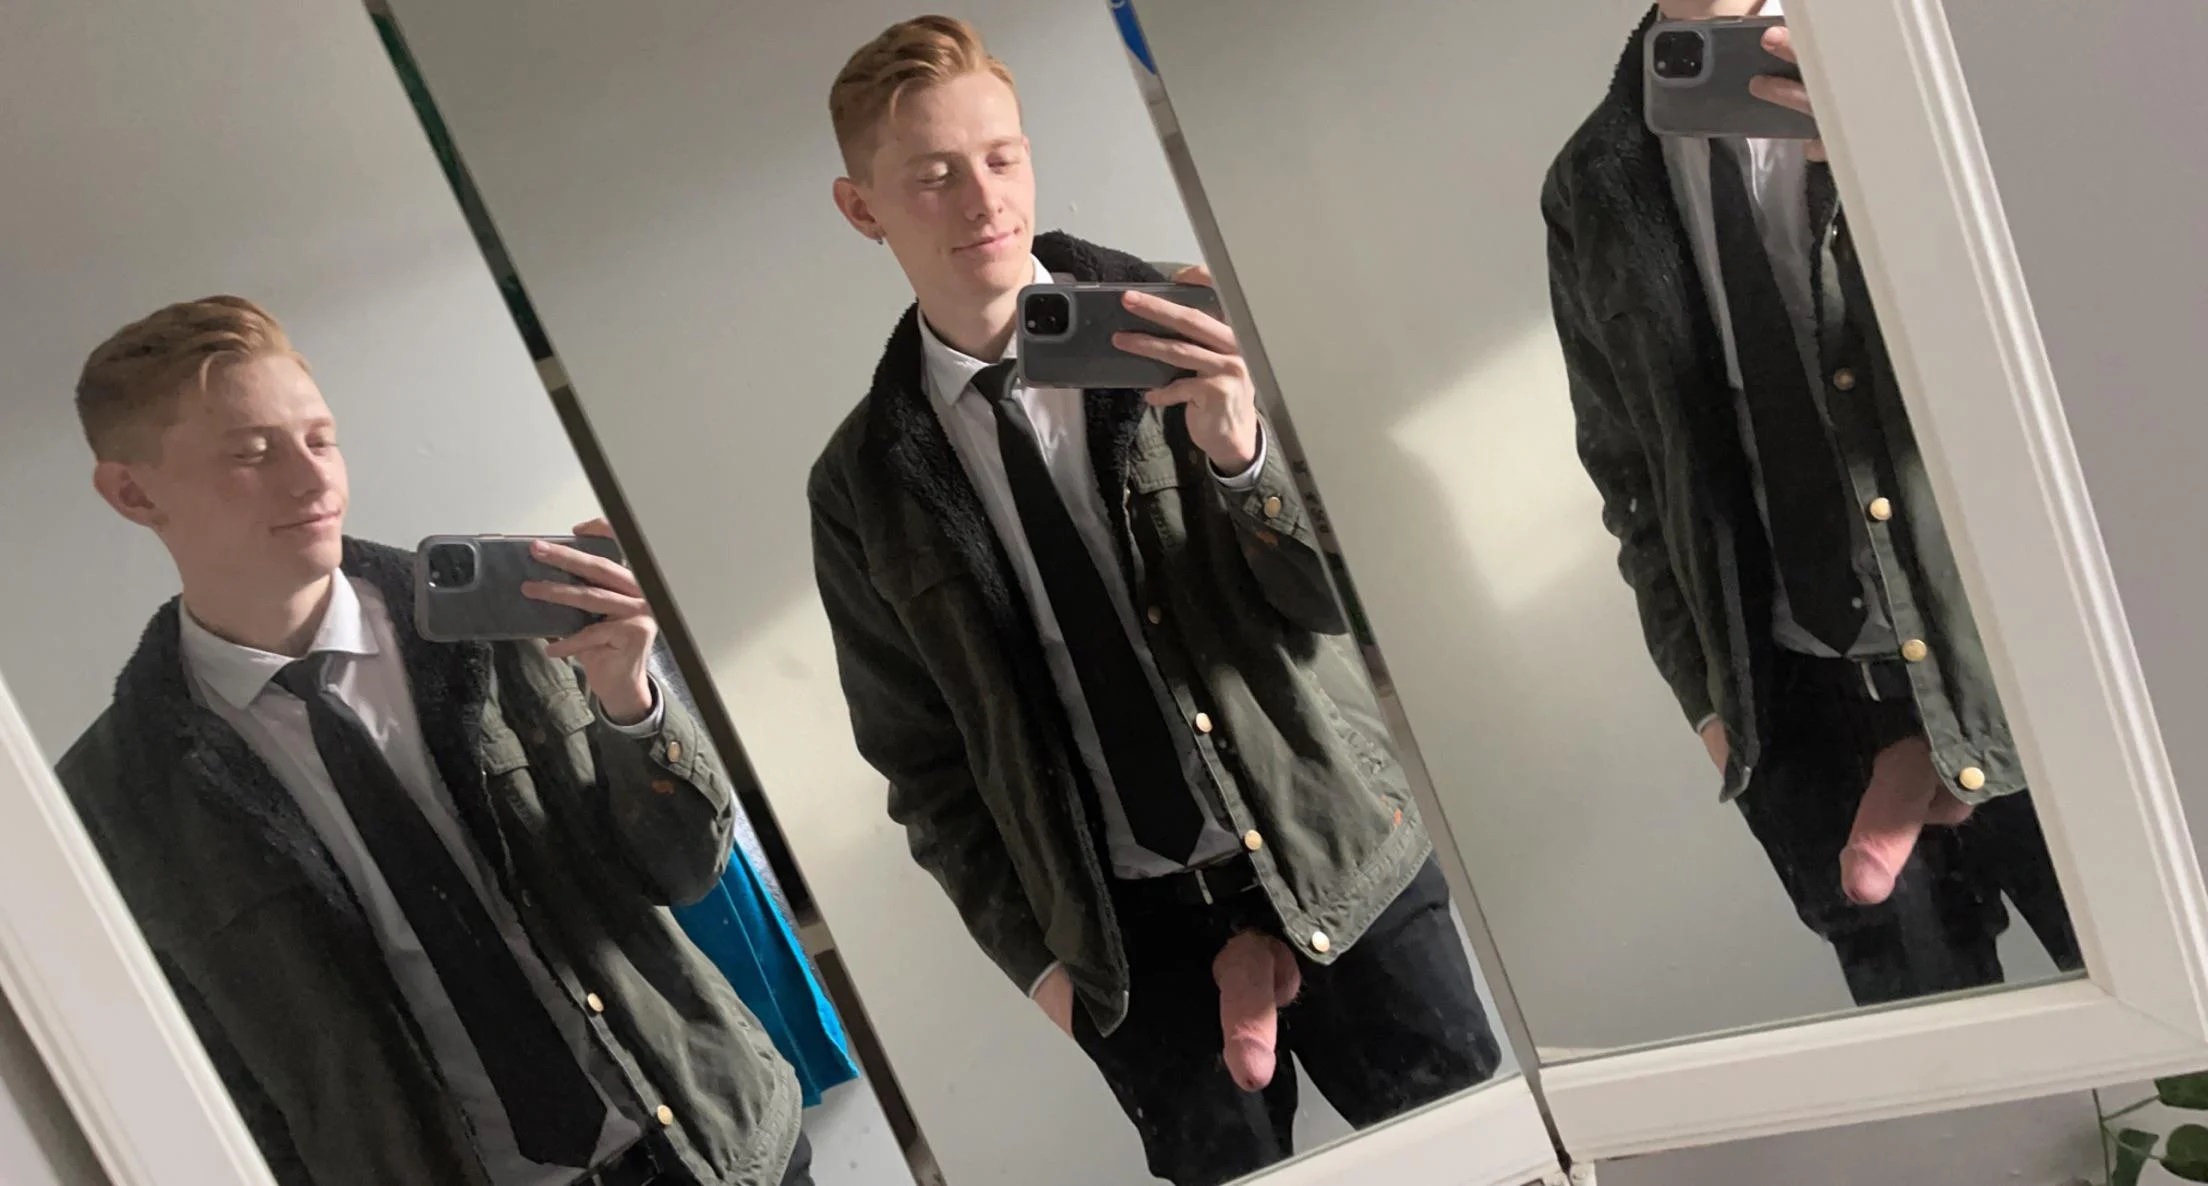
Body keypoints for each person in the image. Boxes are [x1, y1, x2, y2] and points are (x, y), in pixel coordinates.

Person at [807, 16, 1499, 1186]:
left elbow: (1353, 593)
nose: (984, 198)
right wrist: (1047, 973)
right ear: (861, 208)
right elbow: (922, 760)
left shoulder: (1191, 318)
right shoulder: (863, 483)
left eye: (1002, 156)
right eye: (933, 175)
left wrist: (1239, 452)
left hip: (1336, 848)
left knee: (1482, 1166)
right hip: (1136, 946)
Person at [56, 296, 812, 1186]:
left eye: (321, 439)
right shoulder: (114, 799)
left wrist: (632, 699)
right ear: (133, 492)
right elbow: (216, 1082)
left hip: (715, 1148)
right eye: (252, 453)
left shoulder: (505, 628)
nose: (313, 481)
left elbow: (682, 871)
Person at [1542, 1, 2084, 1005]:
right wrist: (1711, 702)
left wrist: (1910, 174)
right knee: (1946, 1072)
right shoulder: (1592, 183)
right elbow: (1631, 475)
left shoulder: (1928, 73)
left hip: (2026, 663)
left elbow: (2085, 343)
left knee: (2179, 1009)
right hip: (1807, 714)